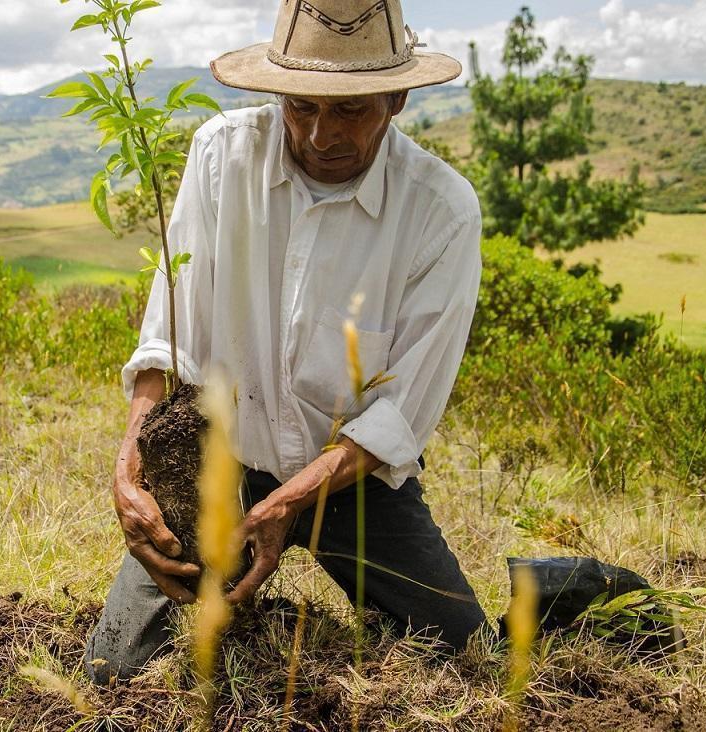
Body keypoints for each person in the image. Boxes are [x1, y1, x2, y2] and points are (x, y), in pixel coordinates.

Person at [85, 0, 486, 685]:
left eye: (349, 110)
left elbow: (400, 416)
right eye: (299, 106)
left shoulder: (440, 211)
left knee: (464, 652)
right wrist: (132, 458)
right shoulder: (221, 156)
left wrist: (289, 501)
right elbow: (168, 333)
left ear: (396, 98)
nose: (318, 133)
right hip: (219, 459)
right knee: (110, 671)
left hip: (350, 481)